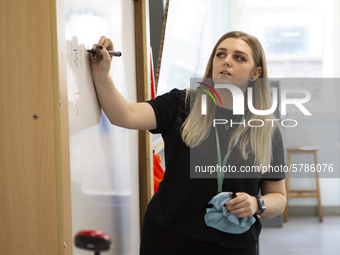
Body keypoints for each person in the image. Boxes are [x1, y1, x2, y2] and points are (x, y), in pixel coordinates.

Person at [90, 31, 286, 255]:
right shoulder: (182, 104)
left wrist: (256, 204)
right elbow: (124, 115)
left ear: (255, 73)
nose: (227, 61)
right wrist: (102, 75)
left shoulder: (267, 129)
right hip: (170, 239)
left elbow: (278, 197)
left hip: (235, 245)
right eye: (220, 54)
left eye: (239, 57)